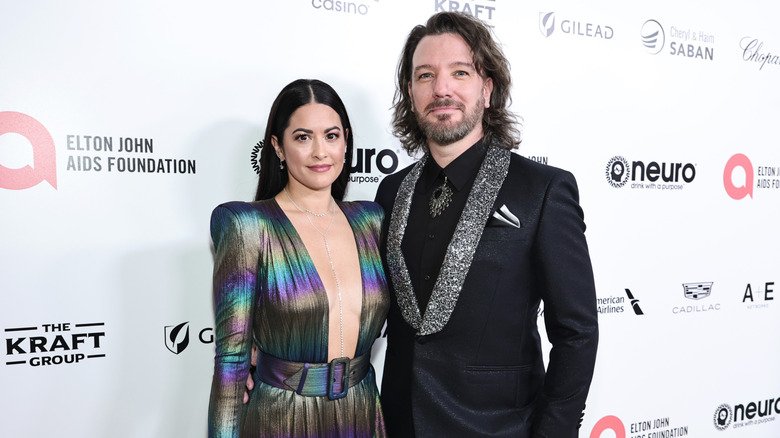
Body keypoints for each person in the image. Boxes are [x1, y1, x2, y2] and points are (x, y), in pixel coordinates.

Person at [374, 12, 599, 438]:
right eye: (425, 76)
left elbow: (577, 334)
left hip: (500, 429)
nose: (442, 89)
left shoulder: (543, 190)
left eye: (460, 72)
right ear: (411, 92)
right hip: (397, 425)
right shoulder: (391, 192)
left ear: (487, 88)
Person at [208, 79, 389, 438]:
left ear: (346, 141)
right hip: (282, 417)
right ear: (277, 146)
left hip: (361, 411)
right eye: (303, 137)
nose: (320, 152)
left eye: (332, 136)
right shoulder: (249, 226)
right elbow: (231, 363)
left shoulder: (372, 220)